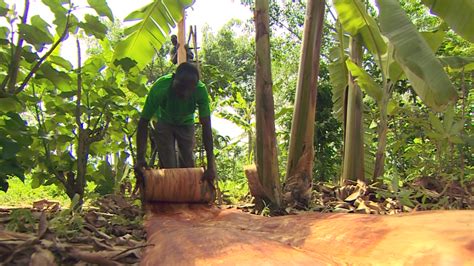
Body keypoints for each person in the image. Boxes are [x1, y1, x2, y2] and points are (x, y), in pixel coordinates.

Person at [135, 62, 216, 182]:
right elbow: (143, 122)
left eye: (189, 90)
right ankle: (169, 192)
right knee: (169, 165)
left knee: (188, 162)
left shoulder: (200, 90)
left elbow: (206, 126)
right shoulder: (160, 88)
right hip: (164, 121)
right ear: (174, 79)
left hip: (186, 123)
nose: (184, 93)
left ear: (195, 86)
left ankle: (188, 194)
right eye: (181, 87)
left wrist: (211, 166)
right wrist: (140, 158)